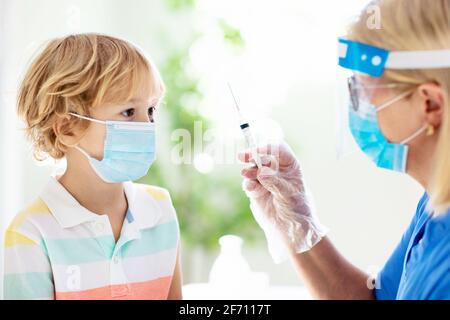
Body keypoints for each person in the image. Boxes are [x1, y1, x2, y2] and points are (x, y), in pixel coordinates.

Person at [239, 0, 450, 299]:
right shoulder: (435, 206)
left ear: (430, 104)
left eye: (362, 88)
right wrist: (297, 223)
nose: (355, 105)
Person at [3, 33, 182, 300]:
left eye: (152, 110)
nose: (147, 126)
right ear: (67, 128)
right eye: (129, 112)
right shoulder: (30, 233)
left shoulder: (160, 209)